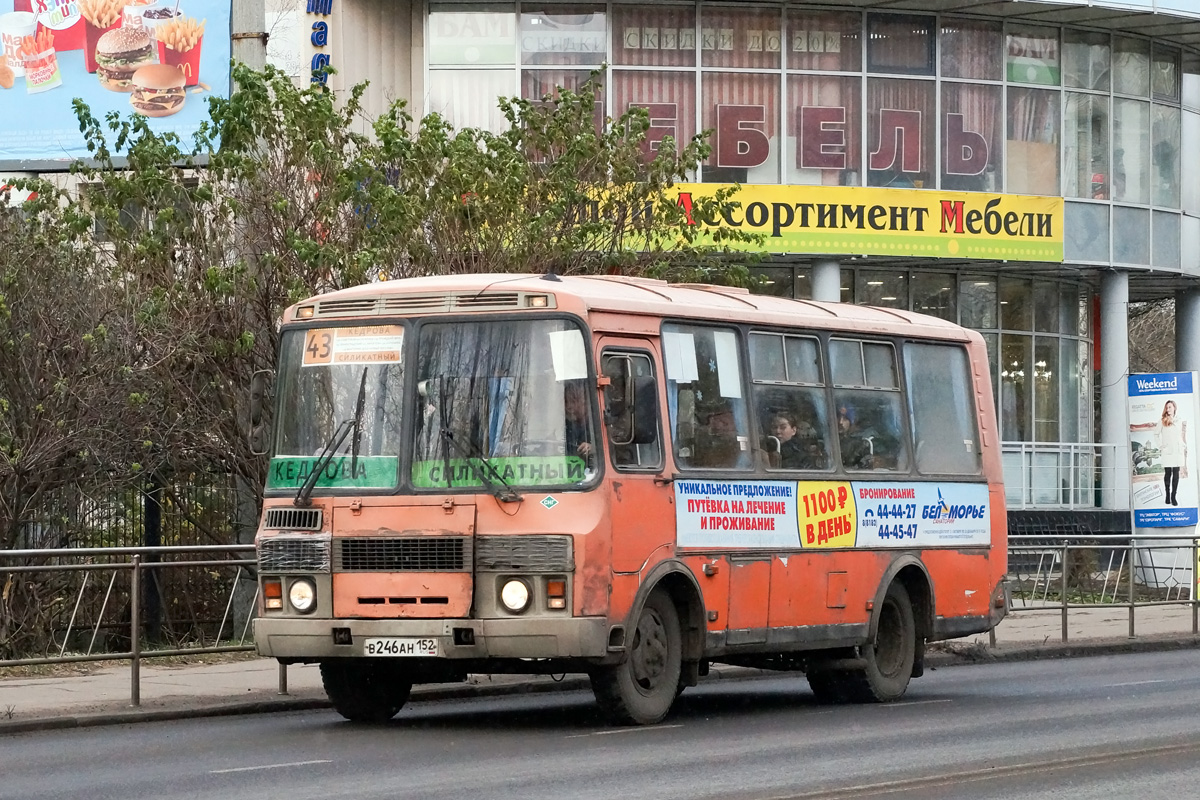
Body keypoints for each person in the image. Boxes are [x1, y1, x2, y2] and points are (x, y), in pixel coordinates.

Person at [1158, 400, 1187, 506]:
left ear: (1174, 407)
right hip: (1168, 451)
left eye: (1170, 407)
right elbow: (1156, 434)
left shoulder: (1178, 420)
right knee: (1167, 473)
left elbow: (1179, 434)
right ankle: (1167, 495)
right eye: (1167, 407)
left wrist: (1183, 444)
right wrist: (1161, 445)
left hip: (1177, 450)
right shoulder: (1162, 421)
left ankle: (1173, 496)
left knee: (1176, 473)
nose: (1168, 409)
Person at [563, 381, 595, 460]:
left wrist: (593, 449)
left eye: (574, 401)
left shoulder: (599, 426)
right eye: (566, 402)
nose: (569, 406)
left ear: (585, 402)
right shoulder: (565, 428)